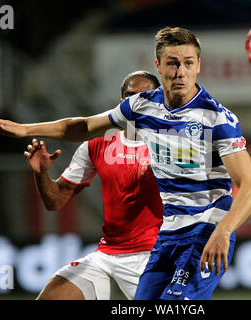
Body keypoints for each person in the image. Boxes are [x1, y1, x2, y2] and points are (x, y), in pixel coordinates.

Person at [0, 27, 251, 300]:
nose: (181, 72)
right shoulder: (141, 106)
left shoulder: (217, 119)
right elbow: (84, 126)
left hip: (205, 229)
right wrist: (25, 129)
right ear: (158, 65)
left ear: (199, 65)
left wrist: (224, 230)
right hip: (168, 236)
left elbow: (250, 186)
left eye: (188, 63)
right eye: (172, 63)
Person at [27, 71, 163, 300]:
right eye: (130, 96)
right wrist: (42, 174)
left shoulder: (170, 144)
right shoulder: (97, 144)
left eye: (145, 96)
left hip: (152, 256)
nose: (136, 102)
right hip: (107, 255)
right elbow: (55, 200)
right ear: (121, 103)